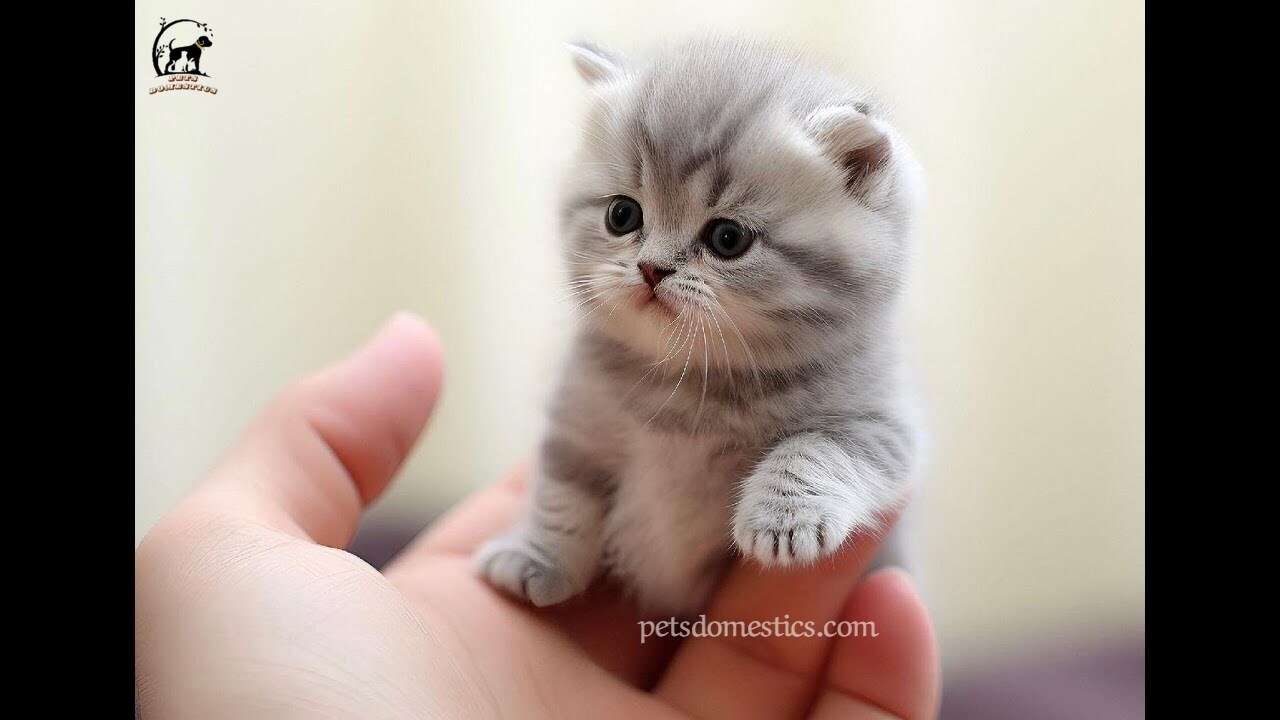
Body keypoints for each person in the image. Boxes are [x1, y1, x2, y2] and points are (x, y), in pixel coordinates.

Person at [135, 313, 940, 719]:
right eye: (625, 218)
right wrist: (557, 539)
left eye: (725, 238)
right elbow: (574, 454)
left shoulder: (841, 356)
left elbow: (884, 440)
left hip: (784, 629)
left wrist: (812, 477)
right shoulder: (606, 352)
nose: (655, 264)